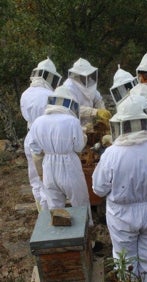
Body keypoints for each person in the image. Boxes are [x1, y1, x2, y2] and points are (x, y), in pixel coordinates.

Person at [92, 95, 147, 281]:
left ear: (120, 126)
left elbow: (98, 189)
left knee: (125, 258)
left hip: (122, 214)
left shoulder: (112, 153)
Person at [28, 85, 93, 225]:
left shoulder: (38, 122)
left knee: (55, 208)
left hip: (49, 166)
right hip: (70, 165)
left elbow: (34, 148)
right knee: (80, 204)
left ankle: (60, 243)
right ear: (69, 103)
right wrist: (83, 135)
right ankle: (88, 242)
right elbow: (79, 147)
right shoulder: (72, 121)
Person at [20, 57, 62, 212]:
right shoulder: (48, 95)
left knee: (36, 180)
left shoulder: (25, 93)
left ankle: (42, 215)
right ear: (49, 77)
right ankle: (52, 214)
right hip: (45, 138)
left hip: (30, 137)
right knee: (49, 178)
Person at [63, 57, 111, 130]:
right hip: (74, 126)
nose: (89, 77)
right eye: (86, 75)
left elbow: (97, 99)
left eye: (89, 74)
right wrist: (95, 112)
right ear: (78, 74)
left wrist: (103, 110)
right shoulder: (69, 87)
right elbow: (72, 107)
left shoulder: (89, 82)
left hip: (88, 125)